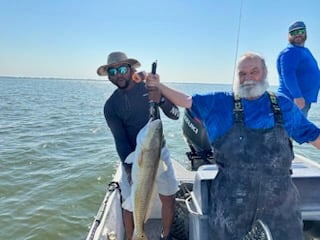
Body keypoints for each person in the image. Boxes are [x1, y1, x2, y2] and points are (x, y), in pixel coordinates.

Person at [146, 52, 320, 239]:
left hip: (281, 209)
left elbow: (313, 135)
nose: (248, 78)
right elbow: (187, 101)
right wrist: (159, 86)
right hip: (232, 209)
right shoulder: (220, 102)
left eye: (254, 72)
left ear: (265, 72)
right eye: (242, 74)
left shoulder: (283, 105)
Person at [97, 51, 180, 240]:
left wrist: (161, 99)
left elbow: (175, 114)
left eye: (122, 69)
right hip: (132, 156)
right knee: (129, 201)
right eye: (113, 71)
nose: (118, 74)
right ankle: (132, 236)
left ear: (131, 68)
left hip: (158, 152)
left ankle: (165, 235)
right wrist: (128, 169)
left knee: (168, 196)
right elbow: (120, 139)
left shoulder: (148, 86)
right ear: (109, 76)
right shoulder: (111, 106)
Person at [277, 20, 320, 117]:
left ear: (305, 32)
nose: (297, 35)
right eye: (293, 32)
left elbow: (312, 73)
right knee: (292, 131)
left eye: (300, 31)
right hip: (293, 100)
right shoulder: (290, 51)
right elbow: (288, 75)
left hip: (302, 100)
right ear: (289, 36)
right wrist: (297, 96)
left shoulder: (304, 51)